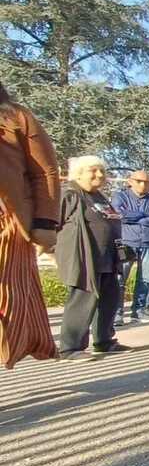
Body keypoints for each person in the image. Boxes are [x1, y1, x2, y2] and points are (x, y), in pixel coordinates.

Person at [0, 83, 59, 367]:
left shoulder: (16, 117)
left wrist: (45, 221)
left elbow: (44, 170)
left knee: (7, 304)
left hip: (7, 226)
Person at [55, 156, 126, 360]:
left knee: (109, 299)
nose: (99, 175)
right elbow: (53, 224)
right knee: (82, 301)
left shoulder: (100, 196)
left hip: (107, 258)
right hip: (84, 257)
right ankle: (71, 347)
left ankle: (104, 341)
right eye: (93, 171)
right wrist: (54, 251)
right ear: (78, 173)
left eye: (102, 171)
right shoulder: (69, 194)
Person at [108, 169, 149, 326]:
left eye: (147, 182)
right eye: (139, 181)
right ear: (130, 181)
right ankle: (116, 313)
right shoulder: (120, 196)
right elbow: (119, 214)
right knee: (120, 279)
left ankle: (138, 310)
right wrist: (145, 216)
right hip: (126, 242)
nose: (143, 184)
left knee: (145, 278)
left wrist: (136, 218)